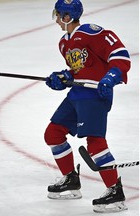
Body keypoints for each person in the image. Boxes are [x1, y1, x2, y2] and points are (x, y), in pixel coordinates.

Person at [44, 0, 131, 213]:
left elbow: (121, 56)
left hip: (95, 95)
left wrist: (110, 77)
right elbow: (80, 70)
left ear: (67, 17)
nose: (56, 19)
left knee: (95, 143)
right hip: (77, 93)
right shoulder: (64, 43)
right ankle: (71, 180)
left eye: (58, 15)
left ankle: (114, 192)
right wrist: (63, 77)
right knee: (53, 134)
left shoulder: (92, 33)